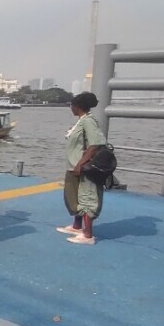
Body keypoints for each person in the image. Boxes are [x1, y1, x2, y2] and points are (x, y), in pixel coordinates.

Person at [58, 92, 107, 245]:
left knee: (87, 197)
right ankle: (77, 226)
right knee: (74, 196)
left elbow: (95, 144)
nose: (71, 108)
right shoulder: (81, 121)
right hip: (73, 166)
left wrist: (81, 163)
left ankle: (88, 235)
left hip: (83, 167)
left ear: (77, 106)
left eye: (71, 105)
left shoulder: (88, 121)